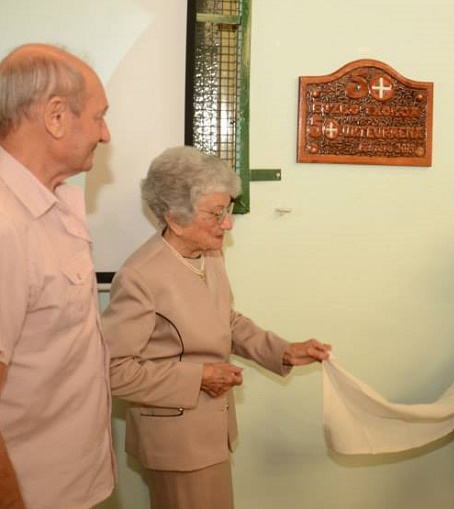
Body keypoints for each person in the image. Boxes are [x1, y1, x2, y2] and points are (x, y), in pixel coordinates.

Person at [100, 146, 332, 509]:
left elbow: (227, 321)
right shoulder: (141, 276)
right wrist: (199, 378)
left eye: (228, 209)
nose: (228, 223)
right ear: (175, 218)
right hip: (176, 440)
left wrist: (283, 350)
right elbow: (112, 370)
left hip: (211, 429)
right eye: (216, 213)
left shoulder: (208, 254)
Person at [0, 43, 114, 509]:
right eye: (98, 116)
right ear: (56, 117)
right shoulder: (6, 226)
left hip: (79, 482)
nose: (105, 134)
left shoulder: (60, 203)